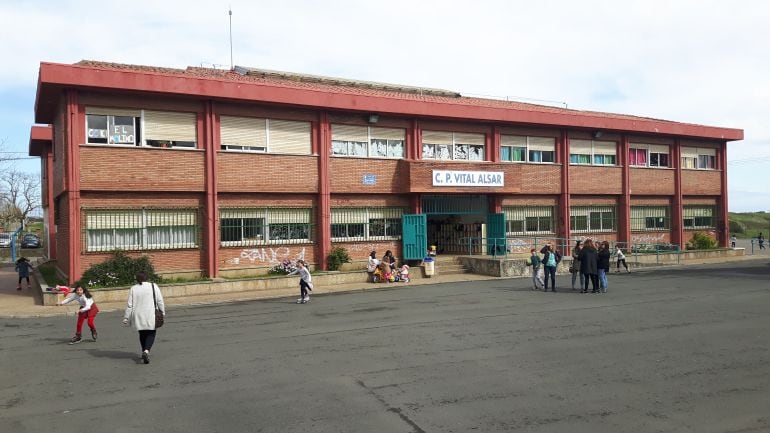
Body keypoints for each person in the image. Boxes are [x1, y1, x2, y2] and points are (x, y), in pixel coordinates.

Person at [123, 272, 165, 364]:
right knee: (151, 333)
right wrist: (162, 312)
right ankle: (146, 351)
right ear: (147, 278)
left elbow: (130, 305)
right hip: (151, 314)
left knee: (142, 334)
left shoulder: (133, 288)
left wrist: (126, 317)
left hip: (138, 315)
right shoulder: (153, 286)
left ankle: (144, 351)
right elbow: (159, 300)